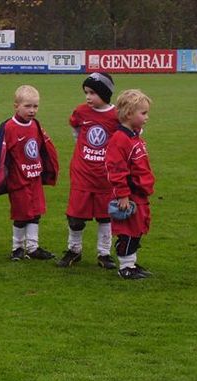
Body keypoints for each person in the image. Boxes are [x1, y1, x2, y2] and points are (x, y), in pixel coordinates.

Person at [58, 72, 119, 269]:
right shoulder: (81, 112)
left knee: (105, 216)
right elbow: (75, 128)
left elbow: (130, 134)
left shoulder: (116, 116)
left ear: (105, 93)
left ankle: (104, 253)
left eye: (93, 92)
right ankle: (74, 250)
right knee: (75, 217)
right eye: (86, 92)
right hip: (82, 174)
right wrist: (82, 149)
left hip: (105, 177)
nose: (88, 97)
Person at [0, 85, 58, 261]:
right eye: (28, 106)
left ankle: (32, 247)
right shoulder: (8, 127)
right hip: (18, 179)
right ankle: (17, 248)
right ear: (16, 106)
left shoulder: (36, 125)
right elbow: (0, 154)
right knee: (21, 214)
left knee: (35, 212)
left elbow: (41, 148)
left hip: (34, 177)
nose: (32, 111)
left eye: (35, 106)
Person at [105, 89, 155, 279]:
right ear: (128, 114)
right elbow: (116, 170)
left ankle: (131, 263)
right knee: (128, 230)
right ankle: (125, 267)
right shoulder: (120, 139)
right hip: (130, 195)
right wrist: (123, 194)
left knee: (138, 229)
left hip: (140, 194)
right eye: (143, 113)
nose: (147, 117)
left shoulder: (133, 136)